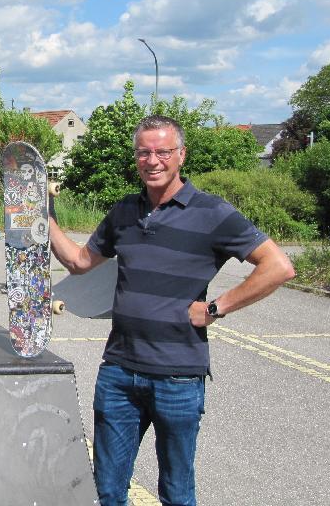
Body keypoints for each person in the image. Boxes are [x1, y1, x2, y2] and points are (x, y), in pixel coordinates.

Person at [49, 115, 295, 506]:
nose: (153, 160)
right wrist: (40, 216)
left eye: (163, 151)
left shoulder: (211, 212)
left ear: (181, 155)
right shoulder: (124, 212)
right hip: (119, 372)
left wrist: (217, 307)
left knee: (177, 494)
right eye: (144, 152)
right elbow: (80, 263)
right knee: (108, 490)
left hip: (178, 378)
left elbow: (279, 266)